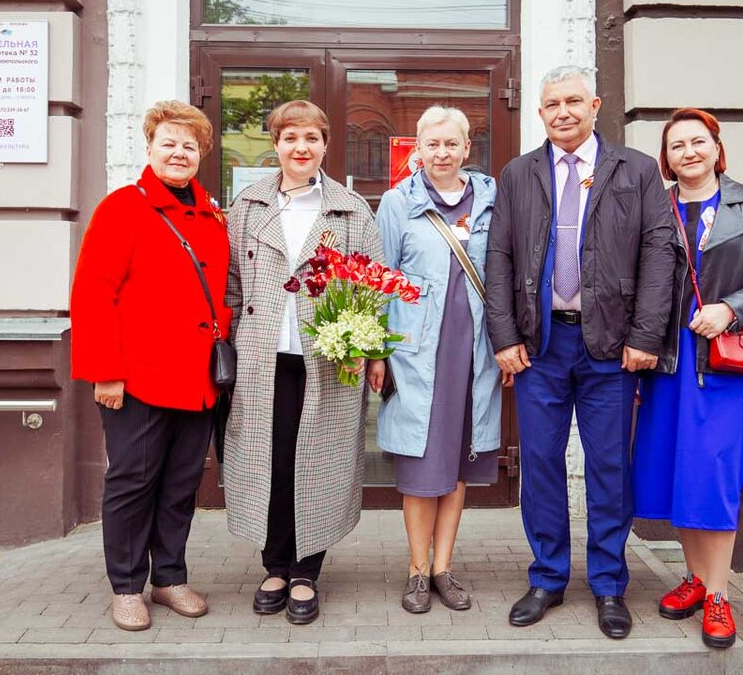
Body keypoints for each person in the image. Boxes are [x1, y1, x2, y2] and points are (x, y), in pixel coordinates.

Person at [484, 65, 675, 637]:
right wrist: (505, 337)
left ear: (595, 105)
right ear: (539, 114)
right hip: (540, 345)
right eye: (550, 105)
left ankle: (610, 585)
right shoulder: (517, 174)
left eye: (572, 101)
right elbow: (500, 259)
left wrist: (644, 337)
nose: (562, 112)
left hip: (610, 348)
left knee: (609, 468)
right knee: (540, 465)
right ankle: (547, 577)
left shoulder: (636, 170)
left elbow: (659, 257)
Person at [632, 108, 743, 649]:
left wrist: (730, 308)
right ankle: (696, 579)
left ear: (716, 147)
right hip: (667, 360)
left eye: (697, 142)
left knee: (717, 474)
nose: (688, 153)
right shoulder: (657, 206)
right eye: (676, 146)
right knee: (680, 470)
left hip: (720, 359)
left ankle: (720, 594)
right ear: (667, 157)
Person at [70, 100, 231, 632]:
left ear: (201, 153)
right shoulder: (124, 207)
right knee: (132, 483)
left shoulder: (211, 214)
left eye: (190, 145)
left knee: (181, 484)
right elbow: (93, 295)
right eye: (169, 143)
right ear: (150, 147)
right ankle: (125, 585)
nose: (179, 153)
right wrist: (105, 371)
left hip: (197, 381)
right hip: (136, 379)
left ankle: (169, 577)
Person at [223, 100, 384, 625]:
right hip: (262, 357)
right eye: (291, 138)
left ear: (324, 144)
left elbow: (372, 286)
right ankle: (273, 563)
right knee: (271, 460)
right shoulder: (248, 206)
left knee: (316, 463)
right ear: (276, 144)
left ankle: (306, 571)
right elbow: (230, 287)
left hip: (326, 358)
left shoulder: (351, 209)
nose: (301, 148)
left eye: (311, 138)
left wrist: (365, 345)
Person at [368, 106, 502, 614]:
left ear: (467, 148)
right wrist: (377, 349)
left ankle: (444, 567)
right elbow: (380, 277)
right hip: (417, 351)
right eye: (432, 144)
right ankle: (416, 571)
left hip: (475, 352)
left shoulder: (490, 199)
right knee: (423, 468)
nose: (442, 153)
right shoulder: (398, 203)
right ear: (416, 149)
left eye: (452, 144)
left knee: (459, 463)